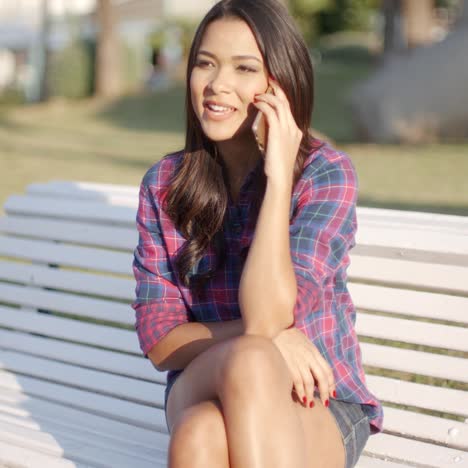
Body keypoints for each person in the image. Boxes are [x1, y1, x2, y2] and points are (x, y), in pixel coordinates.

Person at [131, 0, 384, 467]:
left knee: (202, 435)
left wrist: (280, 176)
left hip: (317, 400)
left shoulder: (324, 175)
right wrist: (260, 339)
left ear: (279, 85)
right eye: (205, 63)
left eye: (244, 68)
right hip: (201, 382)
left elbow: (272, 315)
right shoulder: (165, 185)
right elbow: (162, 343)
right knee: (249, 358)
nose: (217, 84)